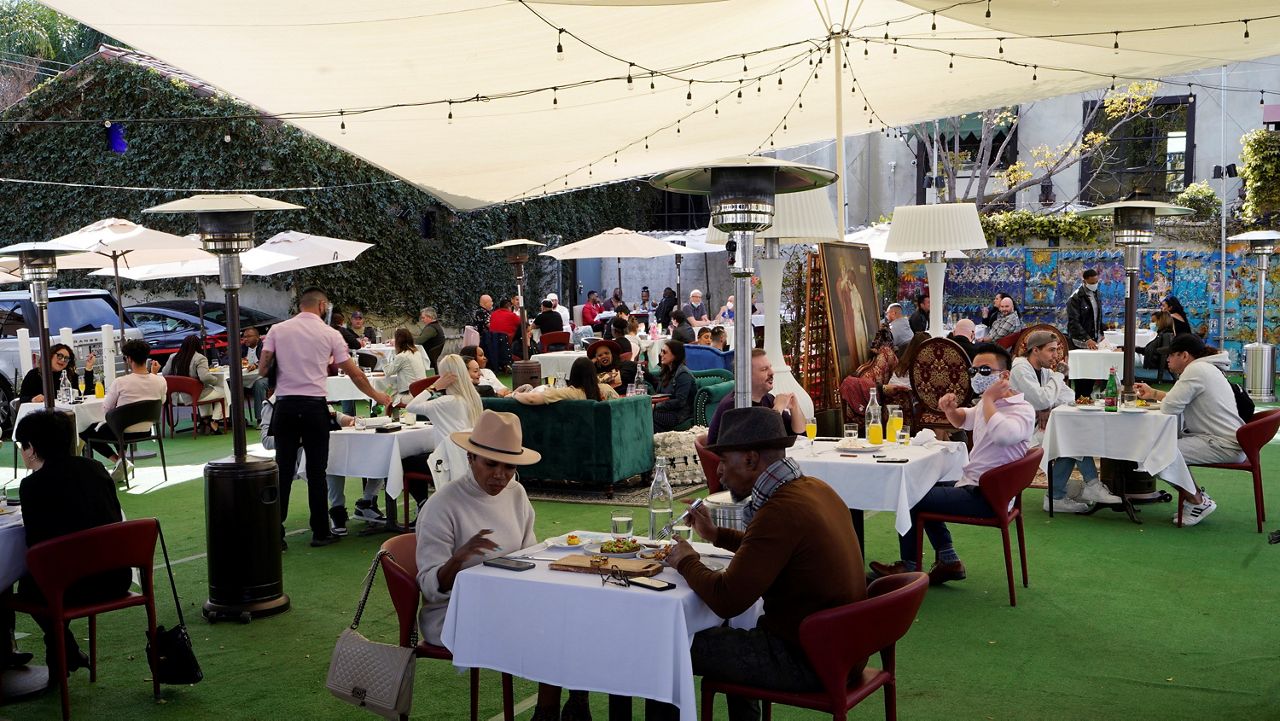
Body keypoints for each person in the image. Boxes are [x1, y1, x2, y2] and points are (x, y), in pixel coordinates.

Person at [652, 407, 866, 721]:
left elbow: (727, 599)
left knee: (663, 646)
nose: (720, 472)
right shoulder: (814, 489)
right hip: (841, 651)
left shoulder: (780, 510)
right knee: (734, 634)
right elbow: (770, 552)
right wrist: (715, 535)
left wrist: (687, 561)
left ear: (751, 459)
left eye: (724, 461)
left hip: (804, 659)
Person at [413, 410, 592, 721]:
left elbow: (528, 555)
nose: (500, 475)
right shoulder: (442, 505)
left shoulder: (516, 493)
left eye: (509, 466)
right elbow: (430, 585)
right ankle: (549, 711)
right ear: (470, 458)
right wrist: (458, 559)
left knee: (575, 608)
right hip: (455, 613)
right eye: (490, 464)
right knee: (553, 624)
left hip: (508, 599)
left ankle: (575, 701)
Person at [870, 343, 1034, 583]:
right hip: (975, 485)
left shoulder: (1022, 409)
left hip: (989, 496)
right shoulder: (987, 406)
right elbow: (963, 420)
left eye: (985, 371)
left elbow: (1002, 435)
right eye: (973, 372)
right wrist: (950, 409)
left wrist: (988, 399)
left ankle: (908, 566)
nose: (978, 377)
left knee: (910, 495)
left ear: (1005, 375)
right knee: (920, 488)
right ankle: (948, 560)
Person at [259, 287, 392, 548]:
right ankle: (320, 531)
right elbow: (355, 373)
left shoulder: (278, 330)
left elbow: (263, 368)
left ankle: (275, 532)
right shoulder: (330, 334)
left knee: (283, 470)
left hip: (285, 406)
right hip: (313, 406)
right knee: (317, 470)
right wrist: (377, 396)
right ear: (321, 306)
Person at [9, 410, 129, 675]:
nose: (22, 452)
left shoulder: (32, 487)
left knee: (20, 585)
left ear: (32, 448)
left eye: (22, 446)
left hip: (70, 587)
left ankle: (61, 648)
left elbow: (37, 549)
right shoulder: (96, 469)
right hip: (115, 577)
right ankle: (63, 650)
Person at [1134, 333, 1243, 526]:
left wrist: (1157, 396)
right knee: (1162, 450)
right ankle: (1197, 497)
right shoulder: (1206, 368)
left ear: (1184, 356)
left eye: (1171, 355)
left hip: (1222, 444)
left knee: (1157, 452)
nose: (1167, 359)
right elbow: (1179, 401)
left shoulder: (1195, 370)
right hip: (1228, 440)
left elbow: (1171, 407)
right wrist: (1153, 393)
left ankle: (1197, 500)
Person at [1009, 331, 1120, 513]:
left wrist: (1046, 406)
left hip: (1038, 426)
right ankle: (1078, 488)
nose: (1056, 356)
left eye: (1057, 350)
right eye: (1051, 350)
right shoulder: (1021, 370)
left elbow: (1068, 396)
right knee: (1070, 437)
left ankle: (1063, 494)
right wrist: (1056, 380)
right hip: (1019, 432)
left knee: (1071, 435)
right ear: (1035, 350)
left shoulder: (1044, 371)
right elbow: (1042, 399)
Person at [259, 393, 386, 536]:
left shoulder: (311, 392)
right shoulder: (271, 404)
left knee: (377, 451)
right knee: (331, 461)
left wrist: (351, 420)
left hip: (321, 446)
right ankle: (337, 511)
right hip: (299, 452)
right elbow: (266, 440)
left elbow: (333, 415)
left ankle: (366, 502)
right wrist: (300, 436)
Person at [78, 339, 166, 483]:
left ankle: (118, 460)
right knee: (117, 423)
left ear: (129, 359)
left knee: (85, 431)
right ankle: (121, 460)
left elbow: (106, 409)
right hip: (146, 429)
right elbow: (161, 401)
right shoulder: (160, 380)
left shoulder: (121, 382)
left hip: (121, 430)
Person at [407, 354, 484, 499]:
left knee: (404, 462)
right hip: (467, 460)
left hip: (446, 461)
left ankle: (422, 503)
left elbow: (411, 407)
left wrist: (434, 387)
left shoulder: (444, 402)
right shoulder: (473, 398)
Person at [706, 349, 805, 444]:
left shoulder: (768, 399)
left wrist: (794, 408)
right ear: (746, 376)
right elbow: (759, 439)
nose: (772, 372)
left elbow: (799, 435)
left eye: (770, 367)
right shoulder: (735, 405)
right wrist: (778, 409)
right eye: (764, 369)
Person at [162, 334, 227, 434]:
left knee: (207, 391)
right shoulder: (199, 358)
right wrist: (215, 380)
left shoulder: (173, 357)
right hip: (192, 395)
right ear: (198, 345)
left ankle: (205, 420)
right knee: (224, 392)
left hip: (175, 397)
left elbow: (165, 373)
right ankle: (214, 421)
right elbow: (205, 377)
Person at [513, 356, 618, 404]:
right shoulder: (606, 389)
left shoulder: (569, 393)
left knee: (528, 388)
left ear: (573, 374)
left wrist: (514, 395)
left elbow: (532, 399)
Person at [1066, 269, 1104, 397]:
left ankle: (1088, 398)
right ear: (1084, 281)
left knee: (1092, 373)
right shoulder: (1075, 298)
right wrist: (1086, 339)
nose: (1095, 284)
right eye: (1092, 282)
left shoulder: (1097, 293)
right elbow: (1074, 323)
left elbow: (1098, 317)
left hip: (1094, 340)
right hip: (1080, 342)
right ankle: (1080, 398)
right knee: (1082, 375)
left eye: (1097, 281)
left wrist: (1101, 333)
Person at [18, 343, 95, 405]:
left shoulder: (68, 374)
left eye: (66, 358)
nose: (62, 360)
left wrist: (89, 367)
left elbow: (85, 392)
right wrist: (33, 399)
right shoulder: (34, 375)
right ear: (50, 355)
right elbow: (22, 399)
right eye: (60, 356)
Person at [648, 340, 695, 432]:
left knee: (646, 416)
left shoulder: (683, 374)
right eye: (661, 351)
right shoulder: (666, 371)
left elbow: (680, 401)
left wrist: (656, 406)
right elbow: (659, 394)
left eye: (664, 352)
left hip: (679, 414)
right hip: (665, 411)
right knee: (643, 415)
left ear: (675, 355)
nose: (661, 354)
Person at [383, 328, 430, 406]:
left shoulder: (402, 356)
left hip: (411, 394)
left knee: (386, 396)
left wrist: (383, 358)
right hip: (422, 391)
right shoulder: (417, 352)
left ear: (397, 342)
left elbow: (388, 372)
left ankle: (392, 417)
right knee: (392, 391)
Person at [237, 327, 271, 422]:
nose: (245, 339)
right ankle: (235, 420)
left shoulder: (265, 346)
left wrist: (256, 364)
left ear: (257, 337)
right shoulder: (242, 348)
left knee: (259, 384)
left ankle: (261, 419)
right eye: (244, 337)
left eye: (249, 336)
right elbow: (226, 359)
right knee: (231, 385)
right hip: (246, 378)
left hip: (266, 377)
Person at [1140, 311, 1176, 382]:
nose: (1152, 324)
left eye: (1154, 321)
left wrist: (1160, 379)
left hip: (1160, 373)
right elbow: (1150, 350)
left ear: (1161, 321)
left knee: (1127, 369)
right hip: (1158, 371)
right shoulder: (1162, 335)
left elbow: (1163, 357)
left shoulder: (1165, 336)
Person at [413, 306, 447, 371]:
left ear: (430, 317)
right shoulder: (436, 326)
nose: (422, 320)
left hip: (426, 357)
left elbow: (419, 341)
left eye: (423, 318)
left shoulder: (431, 328)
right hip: (430, 356)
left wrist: (402, 341)